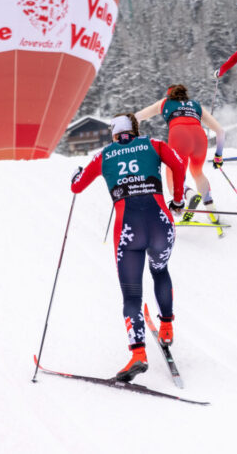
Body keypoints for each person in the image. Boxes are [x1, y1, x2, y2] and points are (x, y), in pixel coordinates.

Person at [70, 113, 187, 381]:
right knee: (160, 270)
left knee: (132, 296)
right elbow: (179, 166)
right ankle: (166, 326)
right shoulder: (155, 144)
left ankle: (138, 354)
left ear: (114, 134)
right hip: (161, 224)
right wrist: (178, 200)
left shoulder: (104, 155)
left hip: (128, 232)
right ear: (135, 130)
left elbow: (77, 187)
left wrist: (76, 175)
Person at [135, 84, 226, 222]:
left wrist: (135, 138)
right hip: (200, 138)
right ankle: (211, 209)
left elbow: (138, 116)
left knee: (173, 176)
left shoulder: (164, 102)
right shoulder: (196, 104)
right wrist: (218, 155)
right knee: (197, 172)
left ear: (169, 95)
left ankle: (189, 194)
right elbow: (220, 131)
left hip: (179, 137)